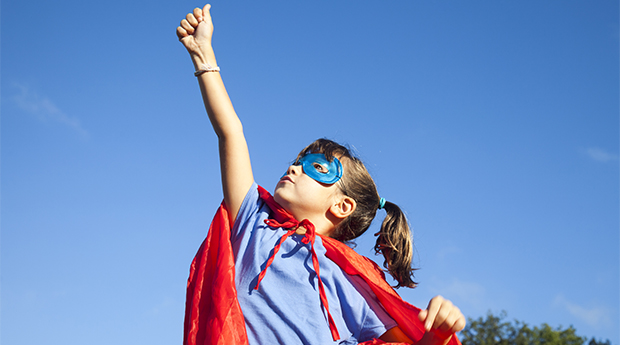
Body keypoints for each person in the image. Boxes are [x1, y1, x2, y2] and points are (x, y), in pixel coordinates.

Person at [177, 4, 466, 345]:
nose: (293, 167)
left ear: (342, 206)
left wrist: (441, 334)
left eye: (317, 167)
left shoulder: (352, 279)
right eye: (297, 161)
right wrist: (203, 55)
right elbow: (231, 133)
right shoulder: (253, 222)